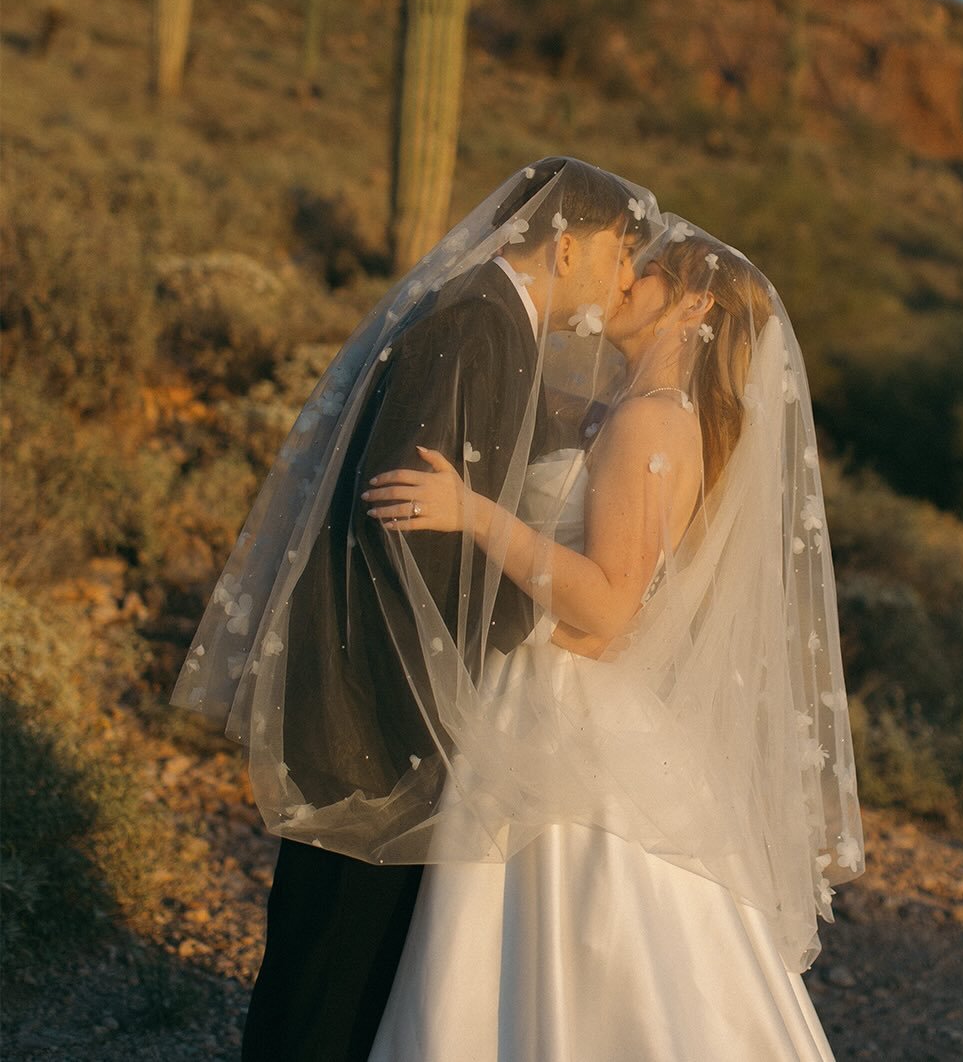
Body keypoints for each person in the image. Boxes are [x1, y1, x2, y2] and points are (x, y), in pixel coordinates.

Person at [172, 158, 649, 1060]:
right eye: (622, 250)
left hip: (390, 700)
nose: (625, 274)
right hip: (375, 705)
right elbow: (407, 530)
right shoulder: (476, 324)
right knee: (326, 978)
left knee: (345, 970)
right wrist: (532, 630)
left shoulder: (498, 324)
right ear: (568, 242)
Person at [362, 228, 863, 1060]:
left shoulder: (651, 425)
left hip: (564, 704)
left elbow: (605, 608)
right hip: (557, 696)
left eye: (652, 270)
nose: (626, 276)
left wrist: (472, 513)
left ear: (695, 305)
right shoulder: (625, 411)